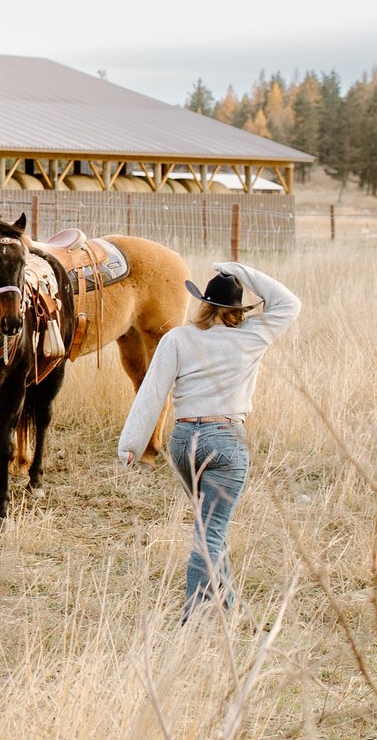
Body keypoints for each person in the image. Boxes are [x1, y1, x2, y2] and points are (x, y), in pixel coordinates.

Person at [117, 260, 302, 622]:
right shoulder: (252, 336)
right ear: (238, 310)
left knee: (209, 525)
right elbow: (289, 303)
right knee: (211, 532)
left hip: (185, 442)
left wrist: (132, 443)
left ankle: (228, 608)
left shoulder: (178, 338)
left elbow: (153, 393)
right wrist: (242, 270)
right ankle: (196, 618)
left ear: (203, 303)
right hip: (226, 442)